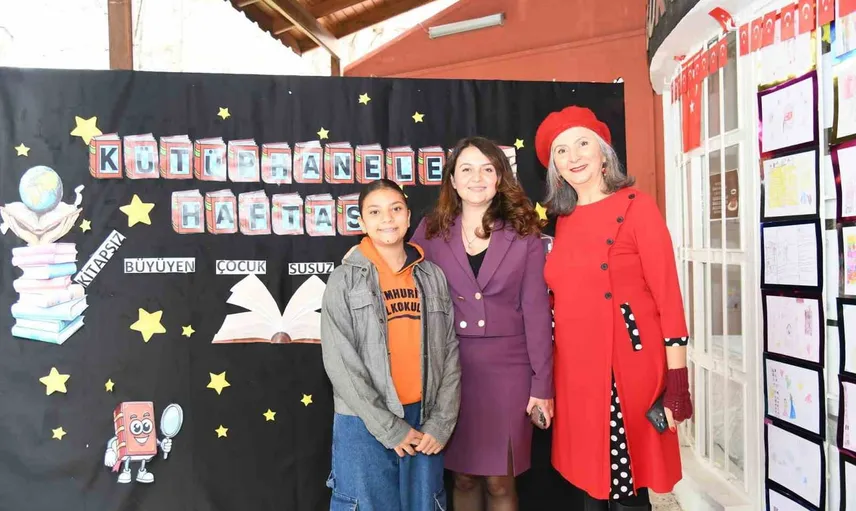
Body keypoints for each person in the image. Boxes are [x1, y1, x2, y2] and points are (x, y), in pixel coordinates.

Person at [534, 106, 694, 510]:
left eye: (582, 144)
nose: (573, 156)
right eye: (561, 151)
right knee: (589, 485)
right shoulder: (564, 220)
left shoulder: (636, 206)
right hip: (575, 373)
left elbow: (667, 296)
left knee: (625, 487)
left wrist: (677, 380)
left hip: (622, 369)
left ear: (604, 153)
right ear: (555, 168)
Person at [410, 136, 554, 511]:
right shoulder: (430, 230)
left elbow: (537, 311)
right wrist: (361, 255)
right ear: (453, 180)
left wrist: (542, 385)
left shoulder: (524, 233)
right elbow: (400, 274)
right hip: (451, 371)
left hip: (509, 372)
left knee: (500, 481)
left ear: (499, 178)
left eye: (487, 169)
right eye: (467, 169)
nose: (477, 178)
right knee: (463, 476)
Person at [320, 178, 461, 511]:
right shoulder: (343, 280)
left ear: (408, 216)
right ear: (362, 222)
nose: (387, 218)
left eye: (396, 209)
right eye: (375, 212)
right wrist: (389, 428)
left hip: (424, 420)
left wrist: (441, 422)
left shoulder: (432, 276)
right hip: (364, 420)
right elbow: (340, 362)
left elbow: (450, 353)